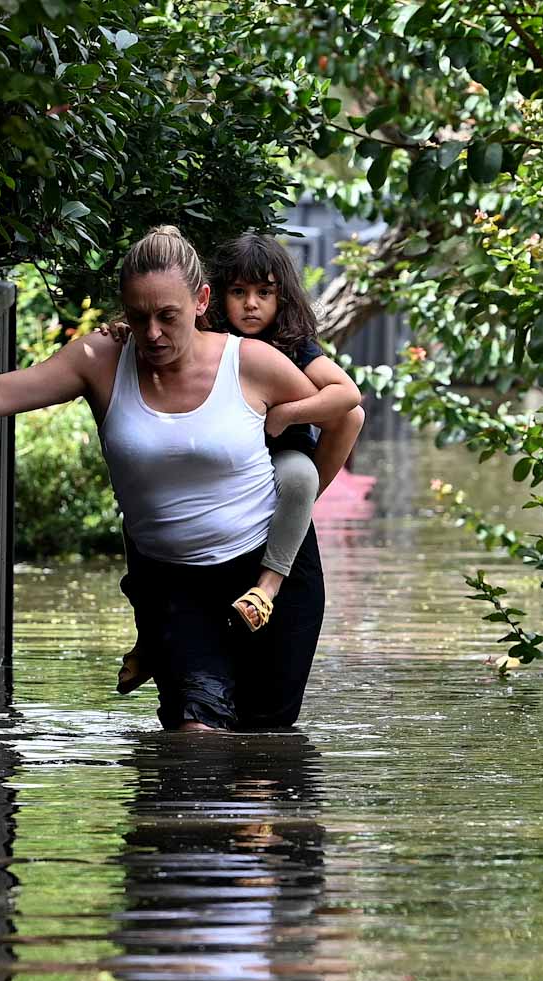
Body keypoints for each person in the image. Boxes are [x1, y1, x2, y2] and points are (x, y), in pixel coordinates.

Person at [0, 226, 358, 732]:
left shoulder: (251, 361)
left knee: (262, 747)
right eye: (138, 317)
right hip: (175, 584)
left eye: (168, 316)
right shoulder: (99, 359)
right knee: (195, 735)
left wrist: (307, 490)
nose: (152, 334)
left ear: (201, 300)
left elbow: (343, 413)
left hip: (269, 577)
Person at [115, 234, 364, 693]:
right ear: (213, 296)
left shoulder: (293, 345)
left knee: (299, 477)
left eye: (264, 294)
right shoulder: (205, 340)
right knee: (141, 512)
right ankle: (148, 636)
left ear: (281, 298)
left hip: (278, 456)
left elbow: (349, 400)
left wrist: (289, 413)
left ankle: (267, 586)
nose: (251, 305)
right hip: (207, 479)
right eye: (239, 293)